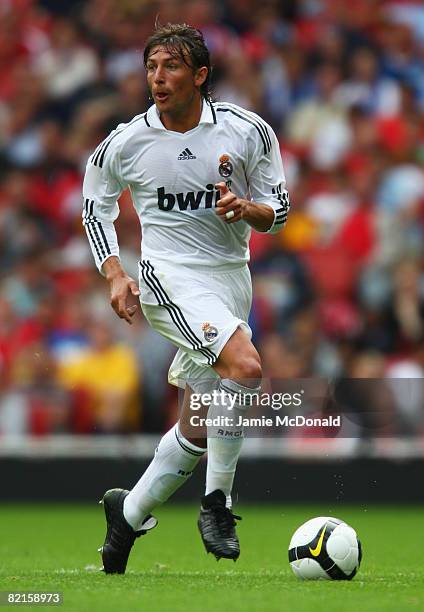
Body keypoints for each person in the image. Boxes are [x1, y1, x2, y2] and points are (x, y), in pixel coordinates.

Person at [82, 22, 290, 574]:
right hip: (168, 277)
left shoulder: (247, 131)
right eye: (151, 67)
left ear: (199, 75)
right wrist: (114, 275)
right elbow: (94, 206)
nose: (158, 78)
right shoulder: (127, 141)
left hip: (230, 279)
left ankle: (125, 517)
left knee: (200, 423)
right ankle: (218, 502)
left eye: (171, 67)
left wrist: (248, 210)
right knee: (245, 369)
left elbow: (281, 210)